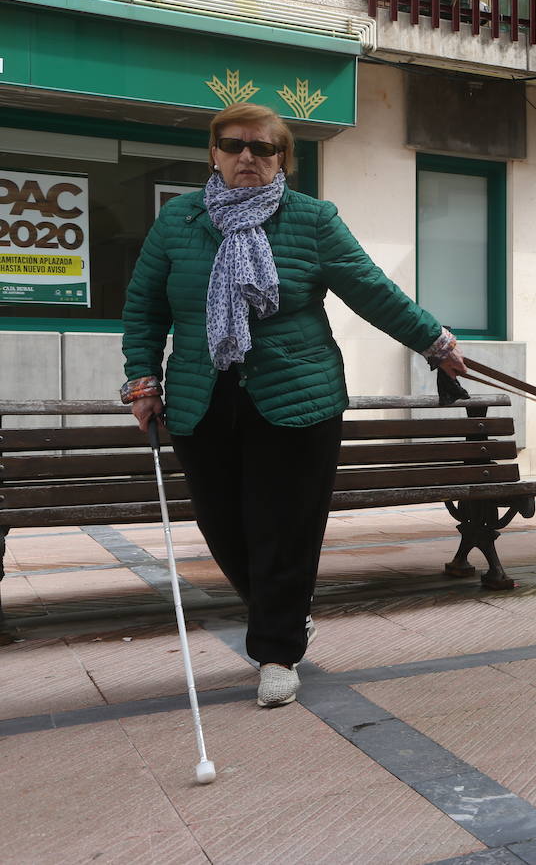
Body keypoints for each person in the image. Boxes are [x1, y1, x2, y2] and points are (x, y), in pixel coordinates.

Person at [121, 102, 468, 708]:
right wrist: (142, 379)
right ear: (214, 153)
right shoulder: (179, 221)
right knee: (224, 525)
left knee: (284, 527)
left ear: (283, 158)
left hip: (299, 397)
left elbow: (371, 289)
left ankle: (276, 650)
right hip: (205, 398)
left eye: (262, 148)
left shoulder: (310, 220)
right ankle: (283, 615)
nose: (247, 157)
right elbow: (144, 308)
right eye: (233, 146)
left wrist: (432, 341)